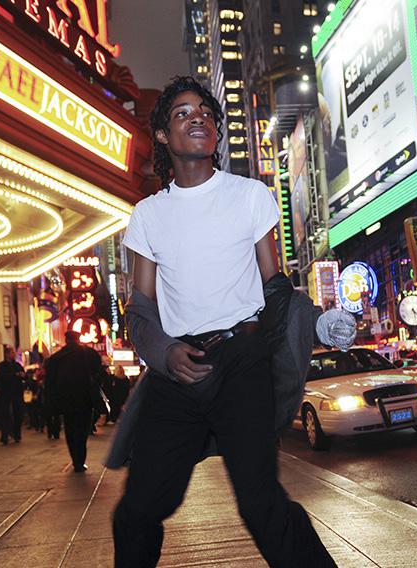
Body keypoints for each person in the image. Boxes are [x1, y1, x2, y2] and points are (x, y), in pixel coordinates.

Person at [111, 76, 337, 567]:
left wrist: (317, 324)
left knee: (260, 503)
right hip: (178, 372)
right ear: (166, 139)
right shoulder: (148, 215)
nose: (199, 117)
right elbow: (142, 308)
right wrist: (165, 353)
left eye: (206, 112)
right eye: (182, 112)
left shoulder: (250, 196)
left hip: (243, 363)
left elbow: (275, 285)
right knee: (137, 510)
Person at [44, 331, 103, 473]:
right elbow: (98, 373)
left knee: (70, 429)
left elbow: (49, 382)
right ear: (78, 339)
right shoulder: (88, 354)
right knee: (82, 430)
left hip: (66, 400)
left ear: (66, 340)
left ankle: (76, 460)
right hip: (85, 398)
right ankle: (80, 460)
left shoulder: (56, 358)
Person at [0, 346, 26, 445]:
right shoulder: (1, 366)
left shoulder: (17, 365)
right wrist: (15, 375)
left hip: (17, 392)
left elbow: (24, 375)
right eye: (12, 352)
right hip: (6, 392)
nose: (14, 354)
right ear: (7, 354)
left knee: (18, 413)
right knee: (5, 414)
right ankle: (4, 435)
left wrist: (23, 375)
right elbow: (1, 377)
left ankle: (17, 434)